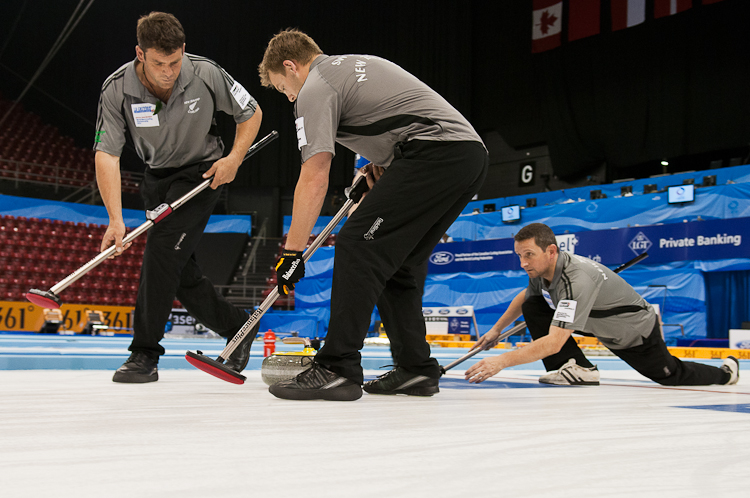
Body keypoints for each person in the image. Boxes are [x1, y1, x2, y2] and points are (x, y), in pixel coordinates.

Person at [258, 28, 488, 401]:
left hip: (434, 153)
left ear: (292, 66)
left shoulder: (315, 86)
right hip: (466, 156)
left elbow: (315, 175)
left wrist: (292, 252)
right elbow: (397, 120)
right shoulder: (351, 66)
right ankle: (416, 369)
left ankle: (337, 368)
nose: (289, 98)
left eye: (284, 88)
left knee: (356, 245)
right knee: (400, 265)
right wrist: (382, 166)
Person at [94, 12, 263, 383]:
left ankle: (144, 354)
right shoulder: (116, 89)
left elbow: (251, 113)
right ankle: (240, 328)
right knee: (182, 276)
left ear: (183, 51)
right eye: (158, 63)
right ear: (139, 53)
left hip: (201, 175)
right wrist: (115, 219)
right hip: (155, 179)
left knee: (160, 253)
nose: (168, 71)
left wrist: (233, 159)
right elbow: (106, 154)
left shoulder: (206, 73)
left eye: (174, 62)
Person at [465, 223, 740, 386]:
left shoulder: (575, 280)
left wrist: (500, 361)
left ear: (551, 251)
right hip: (596, 321)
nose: (523, 263)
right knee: (533, 304)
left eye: (529, 255)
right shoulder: (542, 272)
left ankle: (726, 373)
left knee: (668, 375)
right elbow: (526, 297)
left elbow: (553, 343)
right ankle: (575, 367)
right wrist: (496, 330)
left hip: (632, 331)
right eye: (520, 256)